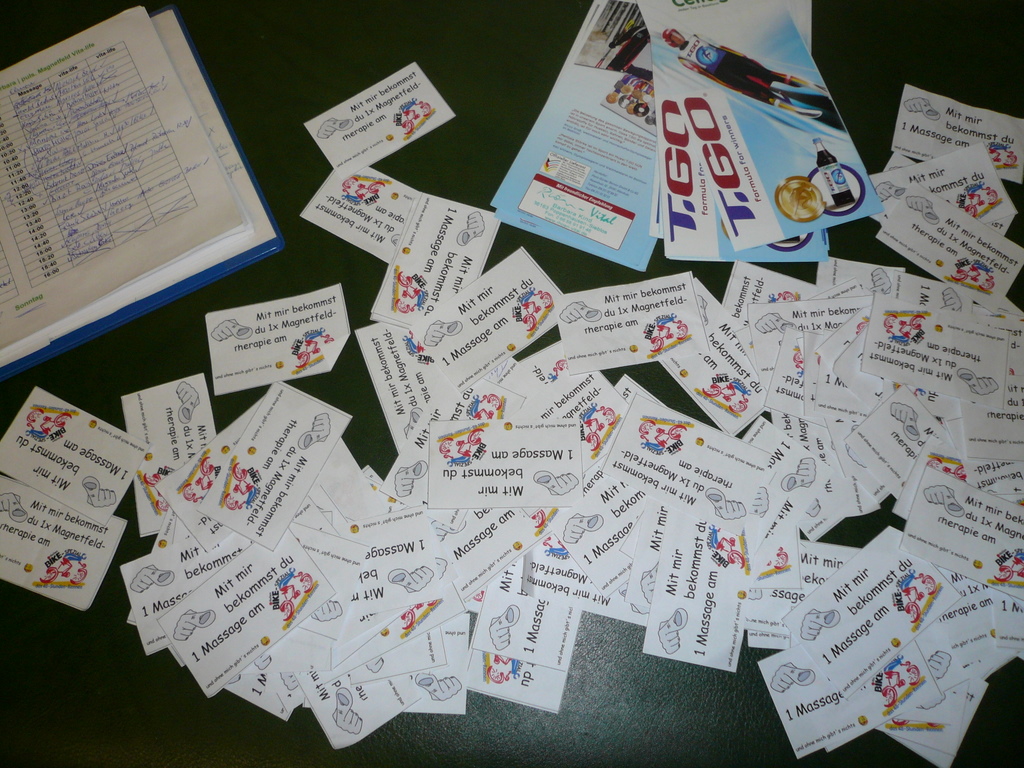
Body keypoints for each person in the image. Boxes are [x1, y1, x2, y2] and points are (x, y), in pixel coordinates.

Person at [661, 28, 841, 128]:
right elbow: (703, 73)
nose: (678, 37)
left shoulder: (696, 36)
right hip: (721, 72)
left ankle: (813, 86)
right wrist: (724, 83)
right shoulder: (682, 58)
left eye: (677, 34)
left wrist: (742, 57)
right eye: (674, 38)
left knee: (768, 75)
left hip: (731, 59)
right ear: (671, 43)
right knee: (756, 90)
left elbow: (720, 45)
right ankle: (792, 108)